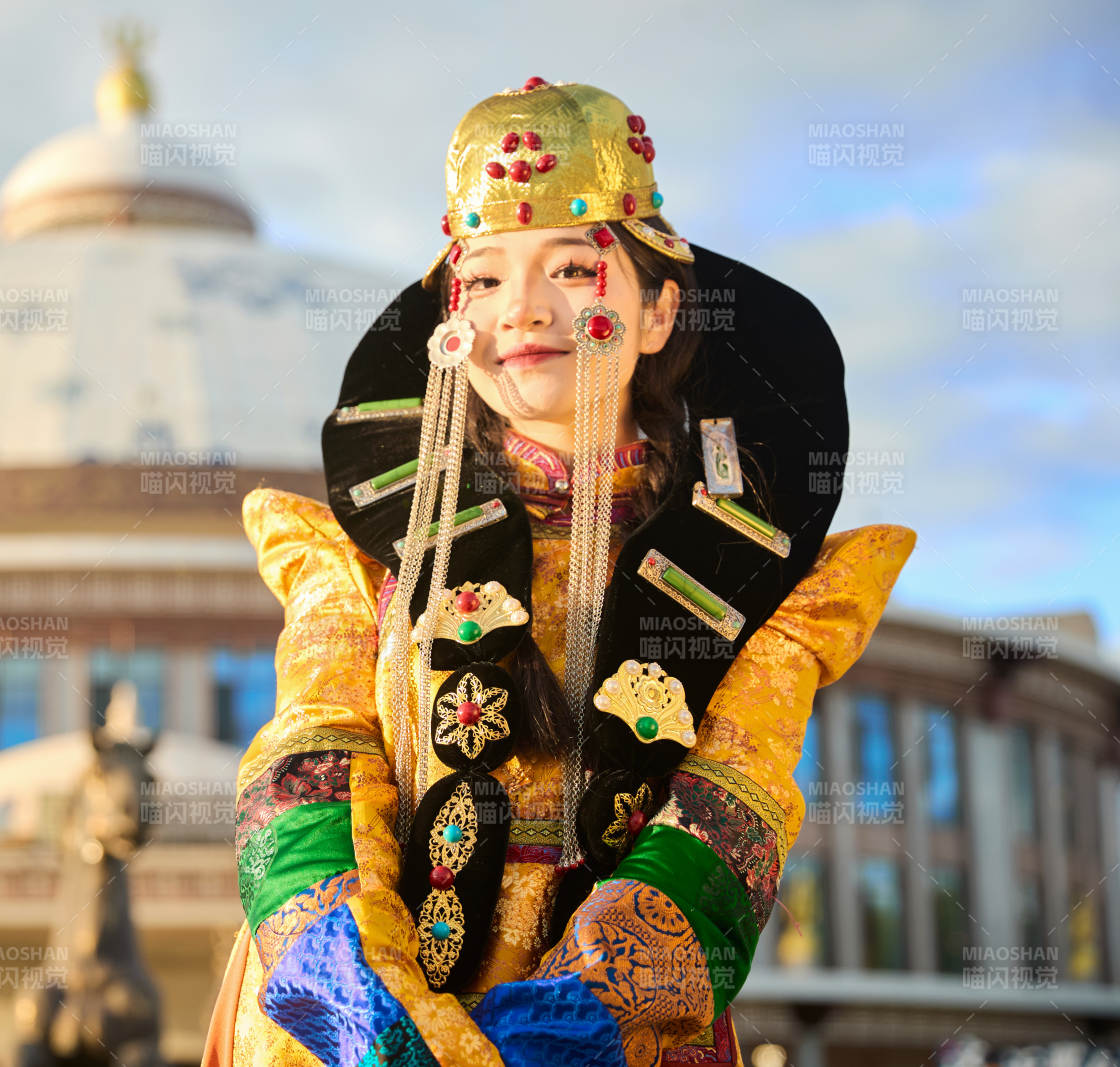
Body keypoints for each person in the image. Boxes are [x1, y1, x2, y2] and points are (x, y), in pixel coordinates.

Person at [202, 78, 916, 1067]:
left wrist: (578, 1017)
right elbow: (307, 763)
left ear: (660, 309)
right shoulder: (374, 543)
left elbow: (731, 796)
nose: (522, 311)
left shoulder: (742, 558)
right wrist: (364, 1001)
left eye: (573, 268)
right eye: (483, 279)